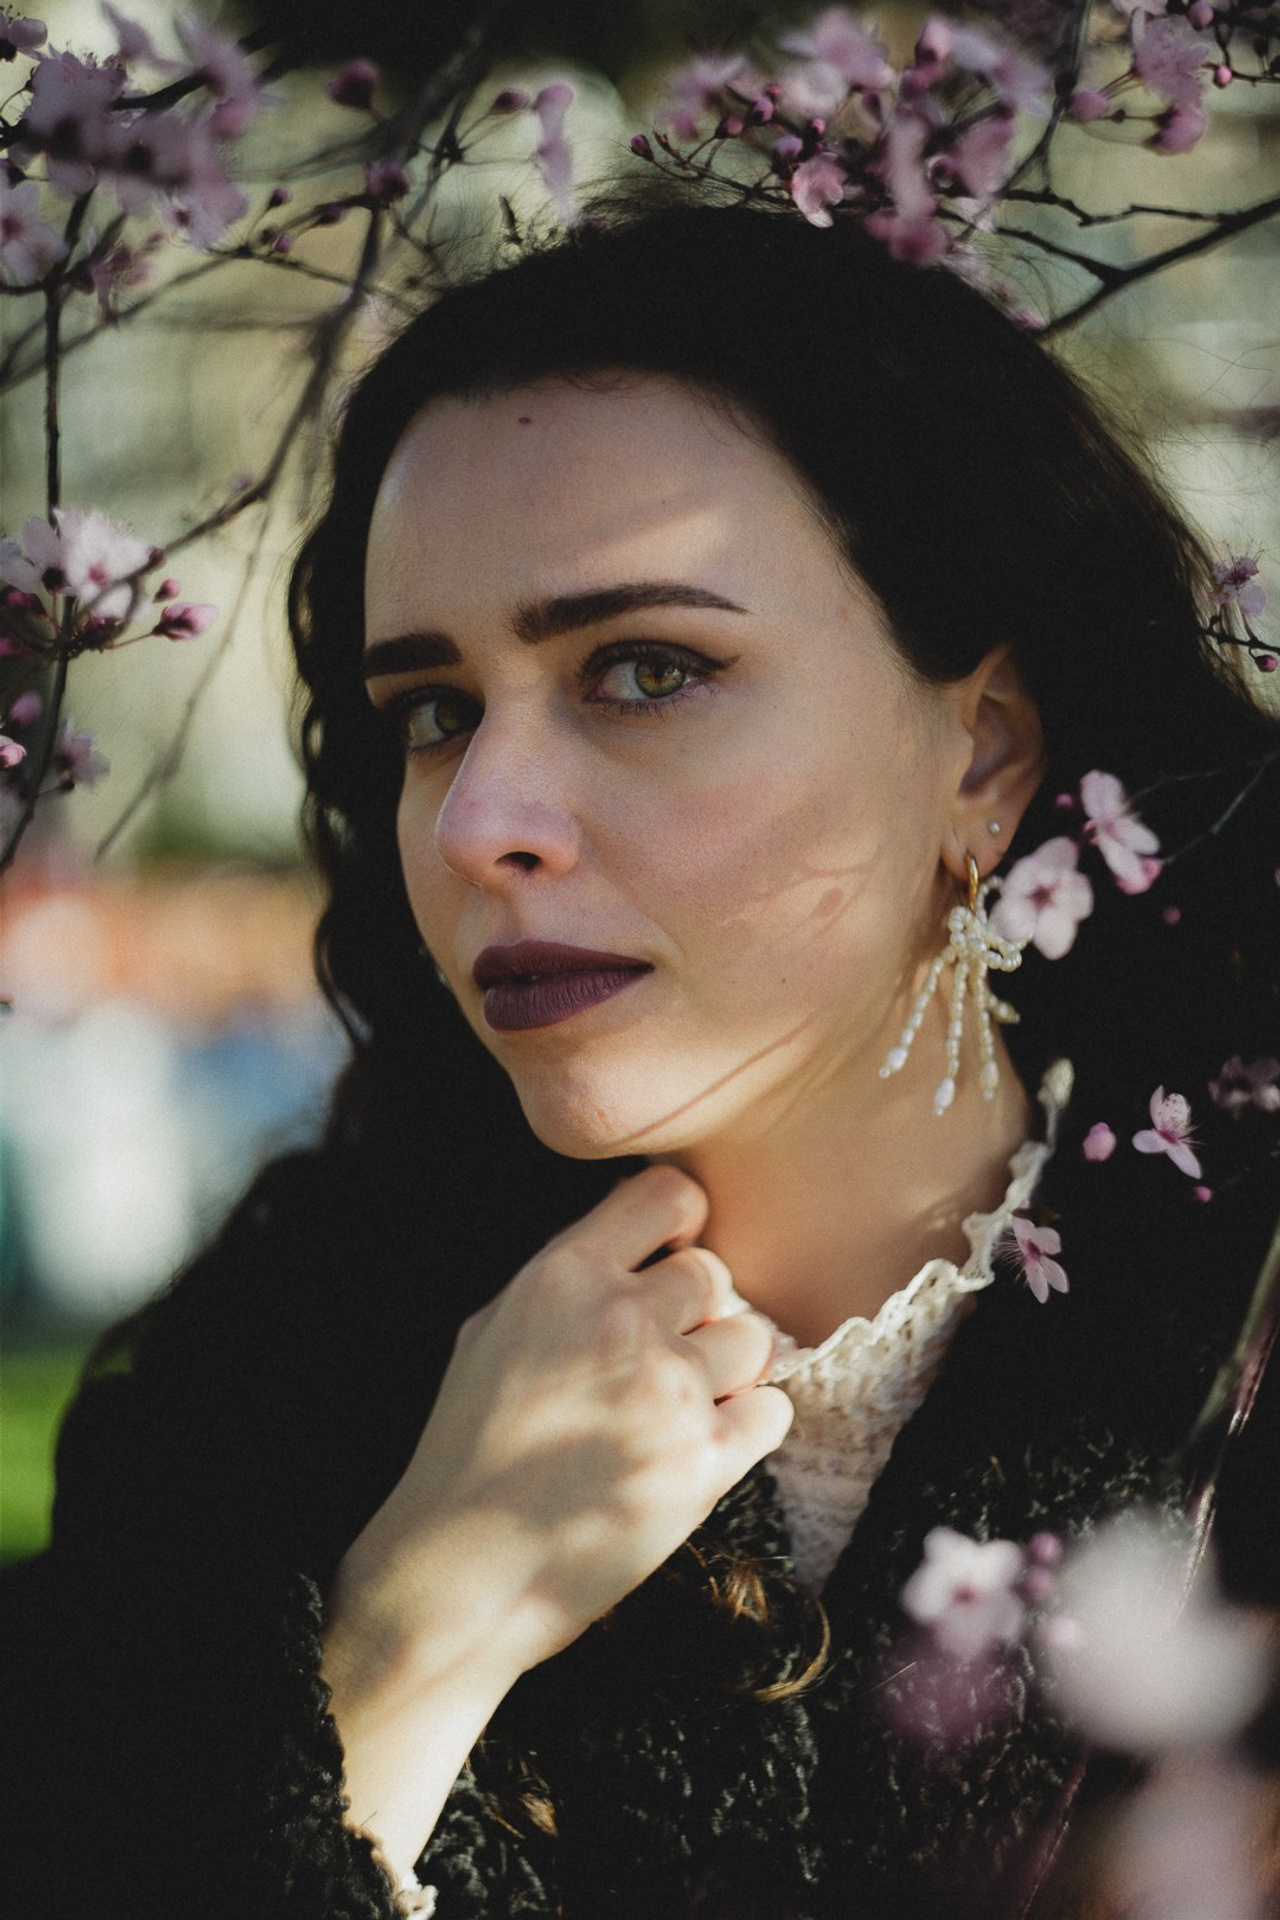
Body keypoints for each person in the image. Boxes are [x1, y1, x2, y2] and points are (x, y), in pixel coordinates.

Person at [4, 192, 1279, 1920]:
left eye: (646, 668)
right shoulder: (263, 1405)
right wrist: (406, 1639)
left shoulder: (1234, 1339)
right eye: (431, 709)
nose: (480, 823)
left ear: (979, 753)